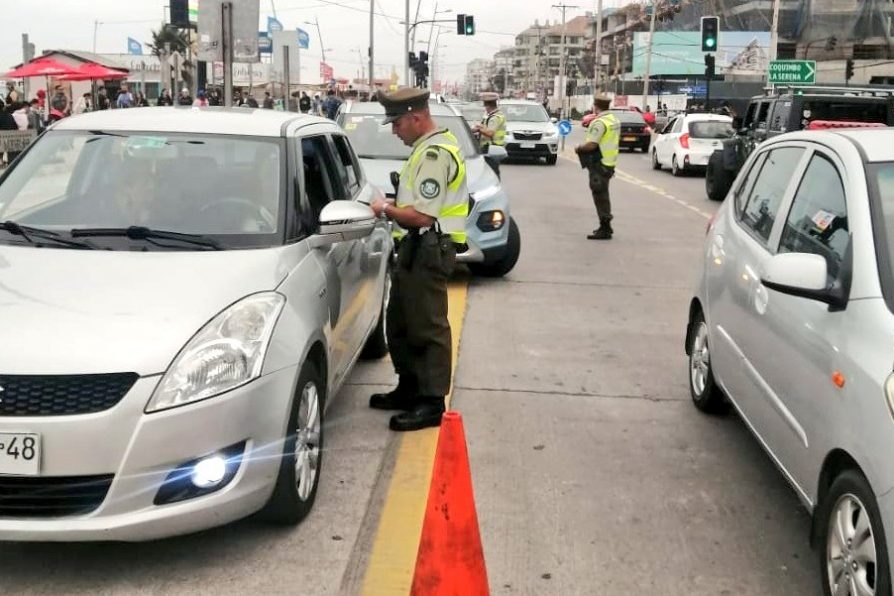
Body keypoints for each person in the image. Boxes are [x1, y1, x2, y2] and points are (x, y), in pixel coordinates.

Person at [367, 87, 469, 432]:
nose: (395, 131)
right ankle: (409, 387)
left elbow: (422, 216)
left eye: (397, 123)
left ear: (416, 117)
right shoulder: (424, 150)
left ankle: (431, 401)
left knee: (427, 326)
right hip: (414, 248)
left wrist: (385, 209)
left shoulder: (435, 154)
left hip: (429, 246)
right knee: (400, 321)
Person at [575, 94, 620, 240]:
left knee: (600, 196)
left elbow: (592, 144)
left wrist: (578, 147)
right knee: (603, 194)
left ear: (596, 106)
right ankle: (605, 226)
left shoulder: (600, 123)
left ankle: (605, 227)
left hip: (599, 164)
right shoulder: (613, 120)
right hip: (609, 163)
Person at [473, 92, 506, 178]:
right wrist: (480, 127)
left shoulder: (495, 117)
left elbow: (490, 133)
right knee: (491, 171)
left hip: (491, 148)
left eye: (485, 106)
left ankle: (495, 187)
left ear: (488, 106)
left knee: (492, 171)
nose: (485, 109)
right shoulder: (494, 116)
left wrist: (479, 129)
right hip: (494, 147)